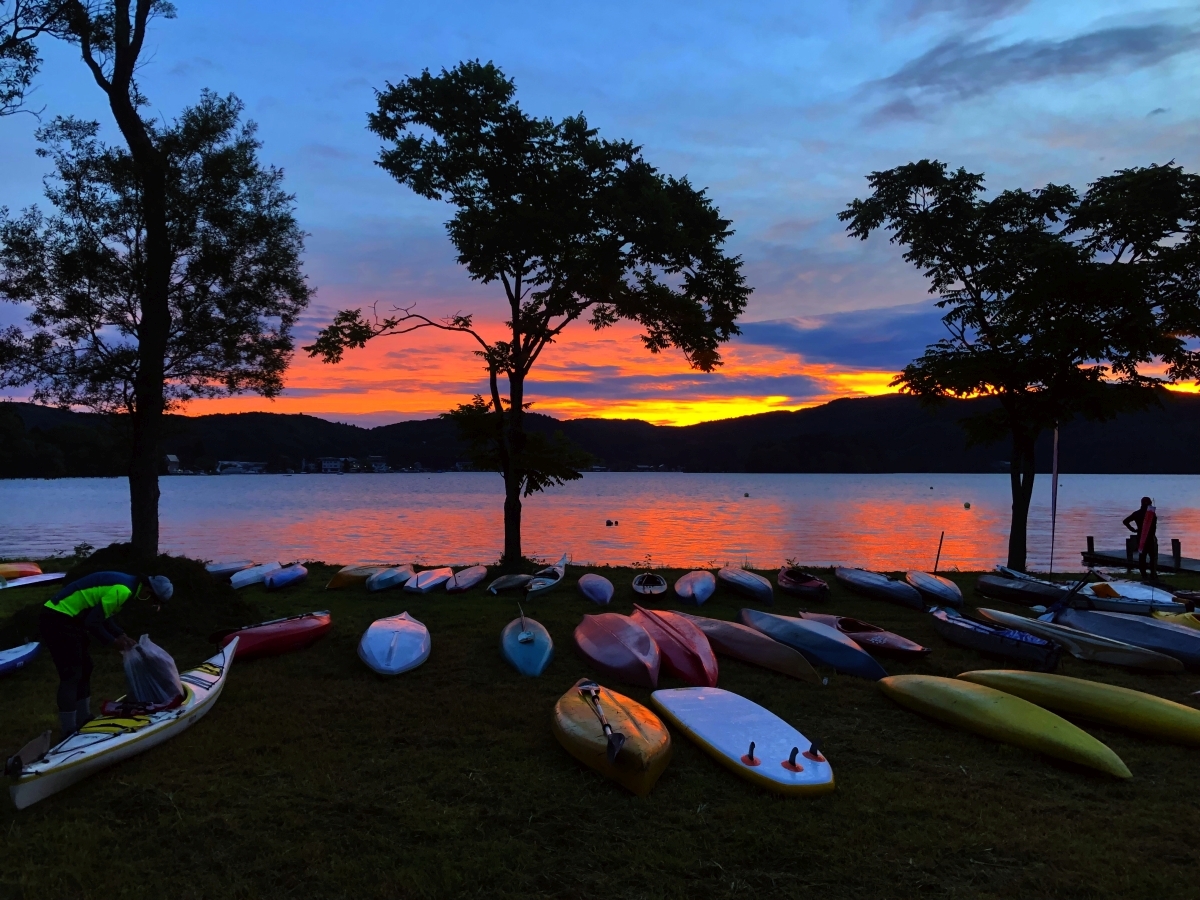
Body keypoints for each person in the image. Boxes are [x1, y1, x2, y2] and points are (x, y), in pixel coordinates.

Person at [39, 571, 173, 738]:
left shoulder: (129, 586)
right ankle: (68, 730)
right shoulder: (123, 590)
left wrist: (120, 634)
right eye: (155, 602)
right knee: (71, 674)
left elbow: (103, 615)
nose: (152, 605)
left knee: (86, 667)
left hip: (73, 619)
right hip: (57, 618)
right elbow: (93, 623)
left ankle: (84, 718)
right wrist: (113, 642)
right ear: (148, 591)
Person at [1122, 497, 1158, 580]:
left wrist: (1133, 529)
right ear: (1150, 503)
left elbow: (1125, 521)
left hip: (1141, 537)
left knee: (1142, 556)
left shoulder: (1137, 513)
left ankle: (1144, 575)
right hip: (1150, 538)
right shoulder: (1151, 514)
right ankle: (1153, 574)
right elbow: (1154, 527)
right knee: (1153, 557)